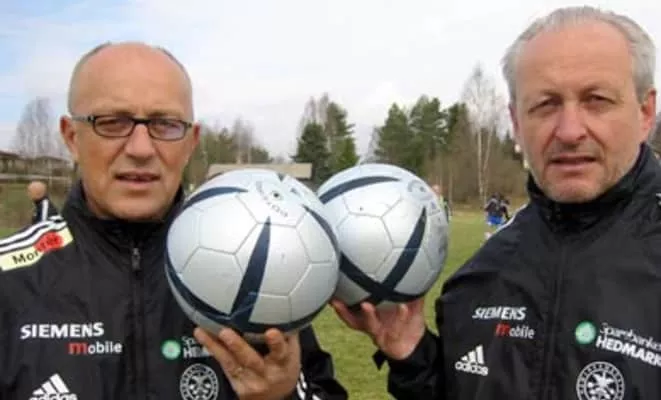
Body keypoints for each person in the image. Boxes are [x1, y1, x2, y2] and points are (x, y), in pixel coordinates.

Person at [332, 6, 661, 399]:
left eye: (596, 100)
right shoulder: (477, 281)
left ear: (645, 112)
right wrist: (413, 357)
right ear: (517, 123)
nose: (570, 131)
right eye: (545, 105)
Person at [0, 41, 347, 400]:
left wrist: (282, 396)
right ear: (72, 137)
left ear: (191, 141)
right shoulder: (9, 283)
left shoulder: (264, 269)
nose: (140, 149)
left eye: (165, 124)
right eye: (112, 122)